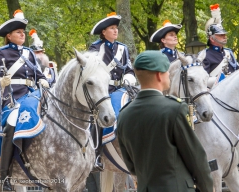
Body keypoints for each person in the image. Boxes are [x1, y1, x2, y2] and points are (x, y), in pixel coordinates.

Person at [117, 50, 214, 192]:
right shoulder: (175, 109)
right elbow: (196, 159)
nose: (169, 74)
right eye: (166, 71)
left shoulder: (124, 115)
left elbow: (131, 165)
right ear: (159, 75)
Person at [0, 9, 49, 191]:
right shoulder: (2, 53)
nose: (22, 35)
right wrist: (0, 82)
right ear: (9, 36)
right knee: (11, 122)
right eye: (18, 32)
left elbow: (38, 74)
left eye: (23, 32)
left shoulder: (29, 53)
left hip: (33, 95)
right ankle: (5, 174)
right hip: (13, 98)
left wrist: (43, 80)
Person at [89, 11, 136, 171]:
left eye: (116, 28)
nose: (115, 31)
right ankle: (96, 154)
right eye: (112, 28)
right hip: (102, 92)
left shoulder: (123, 48)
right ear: (104, 32)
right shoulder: (95, 48)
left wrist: (130, 77)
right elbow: (91, 72)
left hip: (122, 88)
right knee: (96, 118)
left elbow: (129, 69)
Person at [198, 4, 238, 87]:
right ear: (212, 38)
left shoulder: (228, 52)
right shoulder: (204, 55)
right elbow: (201, 80)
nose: (224, 37)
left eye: (224, 34)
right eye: (220, 35)